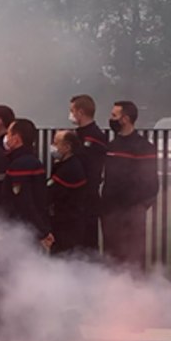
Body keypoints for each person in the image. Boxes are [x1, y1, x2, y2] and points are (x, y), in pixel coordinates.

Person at [100, 100, 159, 271]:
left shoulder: (144, 147)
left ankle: (135, 292)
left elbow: (151, 182)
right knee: (111, 256)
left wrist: (140, 206)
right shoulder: (110, 147)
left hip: (132, 212)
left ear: (125, 119)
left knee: (133, 256)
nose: (110, 119)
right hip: (110, 212)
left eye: (114, 115)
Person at [42, 130, 93, 256]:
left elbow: (50, 193)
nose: (53, 146)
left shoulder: (70, 169)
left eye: (56, 143)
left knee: (64, 258)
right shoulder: (65, 165)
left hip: (67, 225)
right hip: (65, 222)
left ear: (67, 147)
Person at [70, 94, 108, 253]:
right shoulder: (79, 134)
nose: (70, 114)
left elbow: (88, 167)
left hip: (87, 197)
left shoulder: (94, 136)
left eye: (72, 110)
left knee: (86, 243)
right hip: (77, 197)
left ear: (80, 112)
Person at [2, 118, 50, 241]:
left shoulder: (21, 164)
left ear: (16, 138)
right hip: (28, 227)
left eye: (8, 134)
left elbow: (25, 202)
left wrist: (42, 231)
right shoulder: (30, 161)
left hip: (23, 230)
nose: (6, 137)